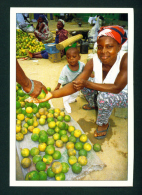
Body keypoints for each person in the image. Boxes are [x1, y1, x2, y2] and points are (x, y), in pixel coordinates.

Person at [26, 25, 128, 140]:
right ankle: (93, 104)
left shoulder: (125, 59)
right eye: (100, 47)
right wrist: (51, 95)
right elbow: (77, 83)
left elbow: (117, 88)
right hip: (104, 91)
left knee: (102, 95)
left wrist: (87, 83)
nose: (103, 52)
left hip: (125, 95)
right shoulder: (94, 61)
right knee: (82, 81)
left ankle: (103, 123)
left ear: (119, 47)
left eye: (109, 47)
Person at [54, 47, 90, 113]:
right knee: (65, 98)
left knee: (74, 95)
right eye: (68, 57)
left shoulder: (82, 65)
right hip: (66, 86)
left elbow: (86, 72)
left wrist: (91, 75)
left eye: (74, 57)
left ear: (79, 57)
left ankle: (72, 100)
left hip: (76, 86)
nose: (71, 59)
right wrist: (58, 86)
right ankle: (66, 106)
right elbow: (62, 77)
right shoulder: (65, 68)